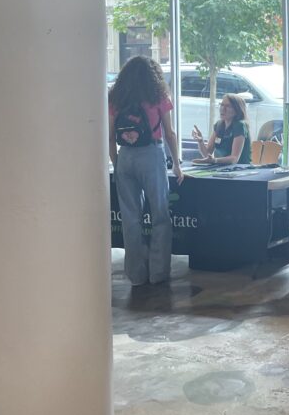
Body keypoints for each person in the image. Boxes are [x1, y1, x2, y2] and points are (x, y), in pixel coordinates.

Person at [108, 56, 184, 287]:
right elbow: (169, 132)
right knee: (160, 214)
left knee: (131, 219)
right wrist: (177, 164)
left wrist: (117, 160)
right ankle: (158, 273)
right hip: (151, 155)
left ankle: (136, 275)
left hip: (126, 157)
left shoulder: (116, 98)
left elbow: (109, 136)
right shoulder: (157, 97)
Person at [191, 93, 252, 165]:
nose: (223, 109)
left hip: (240, 169)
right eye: (222, 105)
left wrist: (214, 161)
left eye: (228, 106)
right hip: (221, 168)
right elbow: (207, 154)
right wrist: (200, 142)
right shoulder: (219, 125)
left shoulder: (240, 125)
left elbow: (234, 159)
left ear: (237, 110)